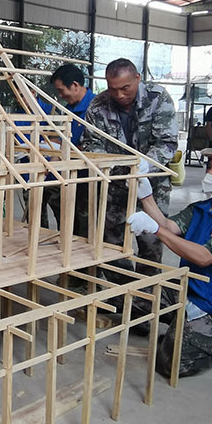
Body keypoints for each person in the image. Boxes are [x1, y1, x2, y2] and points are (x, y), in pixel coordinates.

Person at [127, 146, 212, 377]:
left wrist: (157, 231)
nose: (209, 173)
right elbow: (169, 226)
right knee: (138, 296)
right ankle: (185, 329)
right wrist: (145, 194)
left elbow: (203, 257)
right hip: (191, 289)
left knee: (169, 365)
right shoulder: (202, 208)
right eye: (209, 167)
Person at [81, 58, 178, 281]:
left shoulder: (157, 98)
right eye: (113, 89)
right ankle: (123, 298)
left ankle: (146, 299)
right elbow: (91, 145)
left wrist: (147, 164)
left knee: (152, 243)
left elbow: (167, 142)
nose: (120, 95)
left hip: (152, 187)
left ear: (137, 79)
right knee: (112, 246)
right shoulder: (98, 106)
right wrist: (119, 167)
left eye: (126, 88)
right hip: (116, 187)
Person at [41, 64, 95, 233]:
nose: (61, 95)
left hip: (91, 179)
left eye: (62, 90)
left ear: (75, 85)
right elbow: (65, 140)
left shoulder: (96, 108)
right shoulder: (70, 110)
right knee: (71, 225)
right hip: (73, 178)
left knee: (88, 227)